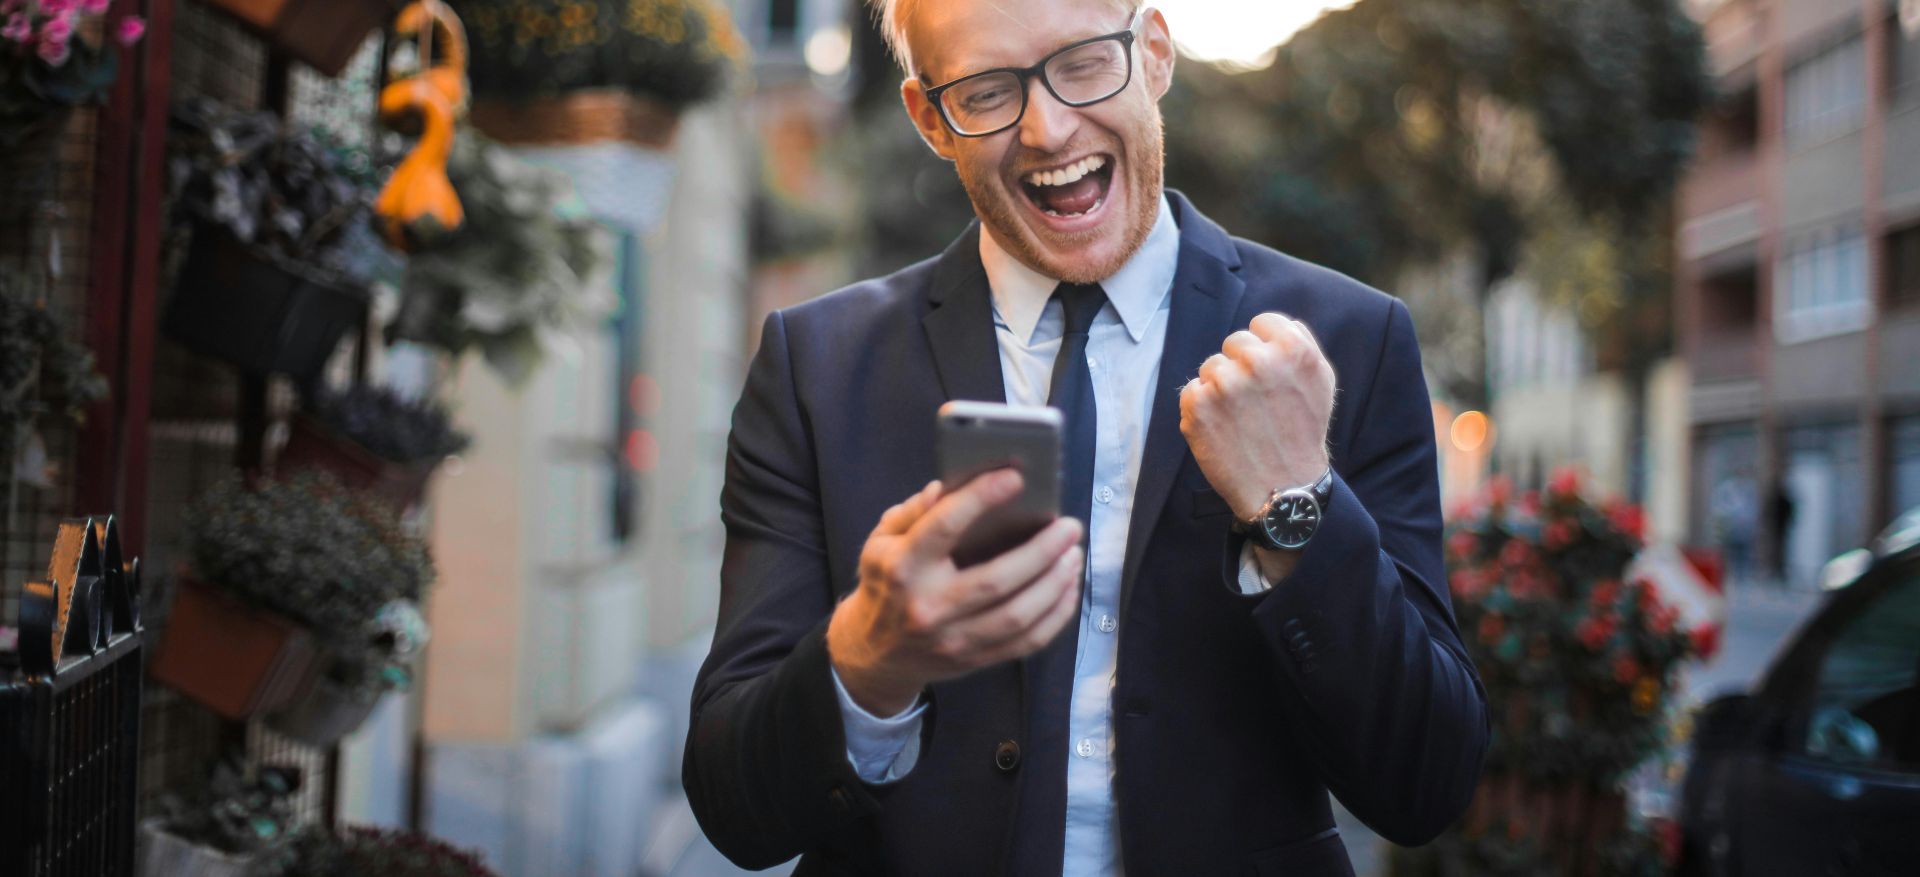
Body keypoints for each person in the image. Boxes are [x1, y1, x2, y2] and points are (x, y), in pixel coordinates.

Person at [683, 2, 1489, 873]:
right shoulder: (816, 365)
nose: (1047, 126)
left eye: (1081, 63)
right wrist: (869, 657)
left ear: (1153, 53)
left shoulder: (1351, 342)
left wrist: (1297, 503)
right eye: (988, 90)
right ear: (929, 120)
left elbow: (1424, 784)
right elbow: (737, 810)